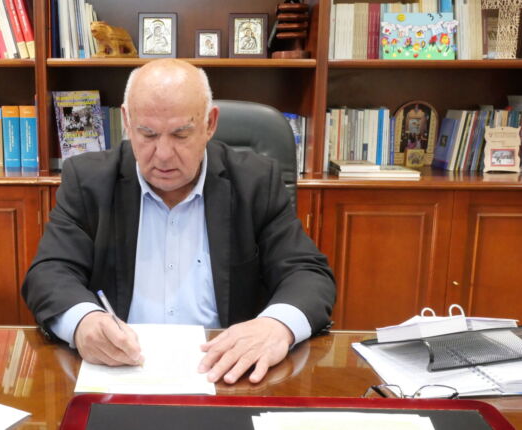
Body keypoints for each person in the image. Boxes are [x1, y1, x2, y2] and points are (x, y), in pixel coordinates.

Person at [22, 59, 335, 385]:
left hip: (227, 373)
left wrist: (276, 326)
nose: (163, 154)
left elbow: (306, 273)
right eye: (147, 133)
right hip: (119, 372)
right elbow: (50, 272)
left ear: (210, 124)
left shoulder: (255, 181)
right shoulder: (88, 180)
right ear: (127, 122)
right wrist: (83, 321)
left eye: (181, 134)